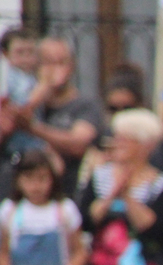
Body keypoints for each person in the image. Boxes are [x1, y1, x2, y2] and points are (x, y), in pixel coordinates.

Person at [79, 108, 163, 265]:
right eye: (116, 138)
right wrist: (112, 195)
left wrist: (126, 196)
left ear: (146, 145)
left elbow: (155, 228)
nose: (117, 144)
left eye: (125, 139)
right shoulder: (99, 176)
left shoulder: (161, 184)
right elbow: (86, 220)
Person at [16, 37, 106, 196]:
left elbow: (78, 144)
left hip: (67, 190)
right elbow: (16, 119)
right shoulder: (28, 98)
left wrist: (34, 128)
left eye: (61, 62)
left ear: (72, 66)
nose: (55, 69)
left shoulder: (85, 105)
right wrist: (41, 92)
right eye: (48, 62)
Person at [0, 149, 84, 265]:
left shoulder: (65, 209)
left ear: (52, 180)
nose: (36, 186)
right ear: (18, 180)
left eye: (42, 178)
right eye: (29, 178)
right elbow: (3, 250)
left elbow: (80, 250)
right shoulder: (9, 210)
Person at [0, 27, 46, 159]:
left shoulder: (32, 78)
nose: (26, 58)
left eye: (30, 52)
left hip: (34, 143)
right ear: (6, 54)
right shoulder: (11, 77)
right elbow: (22, 107)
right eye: (20, 52)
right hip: (17, 146)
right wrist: (43, 89)